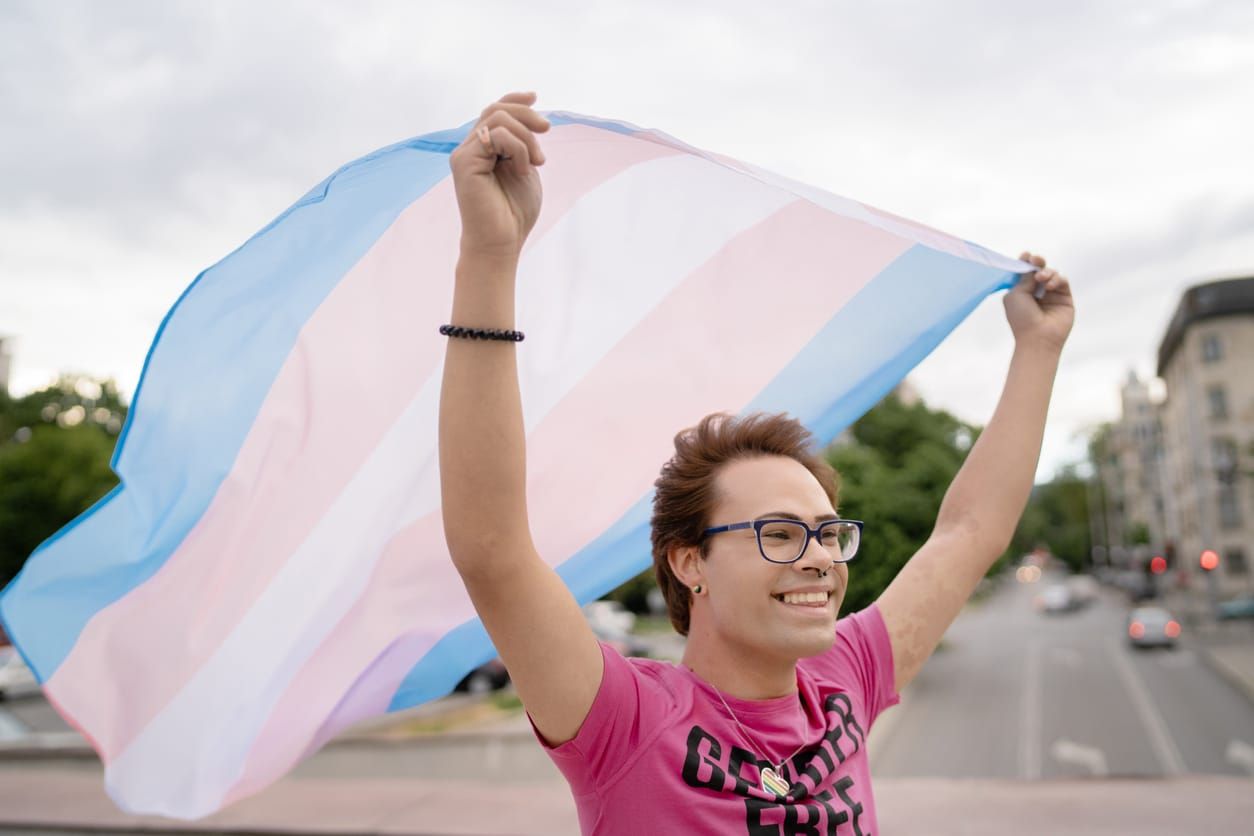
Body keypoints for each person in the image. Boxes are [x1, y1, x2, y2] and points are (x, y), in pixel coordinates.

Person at [439, 92, 1074, 835]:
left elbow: (968, 532)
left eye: (828, 533)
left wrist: (1038, 350)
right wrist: (489, 254)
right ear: (689, 563)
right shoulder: (625, 720)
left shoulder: (846, 677)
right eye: (779, 532)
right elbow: (492, 549)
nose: (819, 560)